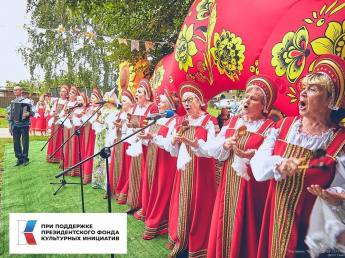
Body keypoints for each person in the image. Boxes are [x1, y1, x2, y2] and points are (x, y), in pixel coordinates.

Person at [250, 54, 345, 257]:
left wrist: (335, 195)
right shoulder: (282, 126)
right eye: (304, 87)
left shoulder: (340, 140)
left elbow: (343, 185)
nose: (303, 92)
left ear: (331, 99)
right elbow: (258, 168)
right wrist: (279, 165)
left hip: (315, 226)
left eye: (313, 89)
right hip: (277, 217)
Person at [207, 75, 277, 258]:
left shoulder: (270, 128)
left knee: (249, 226)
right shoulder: (231, 123)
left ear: (264, 106)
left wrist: (252, 156)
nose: (246, 100)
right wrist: (224, 145)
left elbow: (270, 160)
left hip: (254, 189)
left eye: (253, 99)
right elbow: (212, 149)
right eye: (246, 96)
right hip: (228, 185)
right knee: (225, 222)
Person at [167, 82, 218, 257]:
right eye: (184, 101)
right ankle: (182, 236)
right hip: (184, 169)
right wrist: (174, 142)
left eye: (189, 100)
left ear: (200, 101)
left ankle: (199, 242)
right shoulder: (182, 121)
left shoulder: (210, 121)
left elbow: (212, 150)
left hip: (201, 170)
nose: (186, 104)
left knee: (200, 203)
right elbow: (174, 150)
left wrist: (194, 144)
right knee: (183, 199)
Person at [136, 87, 180, 239]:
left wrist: (153, 137)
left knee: (163, 188)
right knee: (154, 186)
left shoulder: (176, 120)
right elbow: (152, 137)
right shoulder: (160, 118)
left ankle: (160, 220)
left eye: (162, 102)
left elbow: (170, 143)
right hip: (156, 157)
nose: (159, 104)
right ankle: (150, 211)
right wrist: (145, 136)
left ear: (170, 105)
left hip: (168, 160)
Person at [123, 79, 159, 213]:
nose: (136, 94)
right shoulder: (134, 108)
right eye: (136, 92)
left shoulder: (153, 107)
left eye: (139, 92)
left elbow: (155, 127)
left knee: (145, 174)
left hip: (148, 145)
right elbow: (132, 123)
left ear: (146, 94)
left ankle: (145, 204)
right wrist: (129, 125)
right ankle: (135, 203)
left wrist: (143, 132)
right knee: (135, 173)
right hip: (137, 143)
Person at [7, 86, 35, 166]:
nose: (15, 91)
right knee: (16, 142)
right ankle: (19, 158)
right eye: (14, 90)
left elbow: (33, 109)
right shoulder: (12, 101)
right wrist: (9, 111)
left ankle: (25, 158)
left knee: (25, 142)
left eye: (17, 90)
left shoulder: (27, 101)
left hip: (24, 124)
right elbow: (9, 110)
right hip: (15, 124)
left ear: (21, 91)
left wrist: (29, 113)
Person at [46, 84, 69, 163]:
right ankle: (53, 155)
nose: (61, 93)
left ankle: (60, 156)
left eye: (63, 91)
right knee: (55, 136)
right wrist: (53, 113)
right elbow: (53, 109)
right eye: (61, 91)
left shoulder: (67, 102)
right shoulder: (57, 101)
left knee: (62, 137)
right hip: (56, 121)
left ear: (67, 93)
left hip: (63, 121)